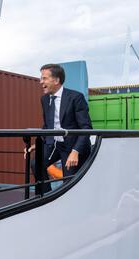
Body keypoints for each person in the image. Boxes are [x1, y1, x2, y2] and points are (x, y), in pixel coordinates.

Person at [25, 64, 92, 193]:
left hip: (72, 146)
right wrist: (38, 143)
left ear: (56, 80)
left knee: (69, 181)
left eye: (44, 78)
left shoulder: (75, 98)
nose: (41, 82)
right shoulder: (45, 99)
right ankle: (46, 196)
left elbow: (86, 128)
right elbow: (48, 126)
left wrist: (75, 151)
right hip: (55, 145)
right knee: (36, 164)